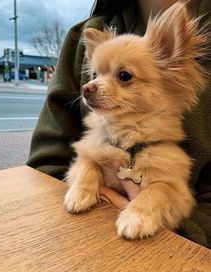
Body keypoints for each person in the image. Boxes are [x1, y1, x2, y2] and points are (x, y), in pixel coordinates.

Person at [27, 0, 211, 248]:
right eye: (94, 75)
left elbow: (177, 196)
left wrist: (161, 217)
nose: (90, 86)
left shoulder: (165, 151)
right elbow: (45, 166)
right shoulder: (86, 31)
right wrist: (87, 180)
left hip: (174, 254)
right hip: (79, 242)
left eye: (124, 76)